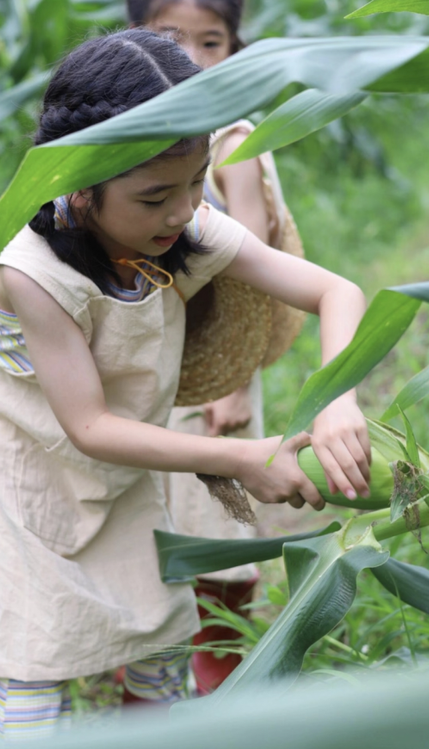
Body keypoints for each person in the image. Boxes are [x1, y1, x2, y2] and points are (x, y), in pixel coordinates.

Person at [0, 28, 370, 746]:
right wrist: (237, 458)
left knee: (159, 620)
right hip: (18, 453)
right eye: (153, 198)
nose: (181, 212)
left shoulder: (186, 224)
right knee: (34, 649)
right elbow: (87, 427)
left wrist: (339, 400)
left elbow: (338, 291)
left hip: (123, 437)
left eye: (197, 182)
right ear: (78, 189)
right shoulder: (31, 270)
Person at [127, 0, 307, 694]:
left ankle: (219, 688)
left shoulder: (232, 140)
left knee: (215, 534)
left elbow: (250, 264)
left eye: (212, 41)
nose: (193, 58)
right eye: (171, 38)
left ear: (236, 52)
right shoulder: (130, 135)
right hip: (149, 369)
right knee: (152, 536)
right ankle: (153, 697)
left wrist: (233, 385)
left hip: (214, 371)